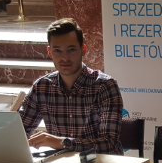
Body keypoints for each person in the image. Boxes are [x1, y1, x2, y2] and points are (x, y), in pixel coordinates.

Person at [19, 18, 124, 154]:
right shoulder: (42, 86)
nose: (65, 58)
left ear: (83, 49)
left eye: (71, 50)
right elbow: (19, 131)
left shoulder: (104, 86)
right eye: (58, 50)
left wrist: (62, 142)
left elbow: (109, 143)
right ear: (49, 52)